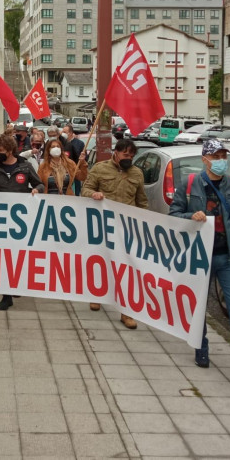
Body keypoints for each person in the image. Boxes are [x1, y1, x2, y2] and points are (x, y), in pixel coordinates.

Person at [169, 139, 230, 383]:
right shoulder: (190, 184)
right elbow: (173, 216)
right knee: (200, 306)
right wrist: (191, 215)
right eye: (216, 157)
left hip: (229, 256)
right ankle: (201, 348)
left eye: (224, 156)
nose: (221, 161)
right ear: (205, 159)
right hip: (200, 257)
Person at [81, 139, 146, 329]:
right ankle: (97, 295)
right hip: (103, 225)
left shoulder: (137, 173)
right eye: (126, 155)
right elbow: (85, 189)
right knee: (101, 262)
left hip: (126, 227)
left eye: (132, 156)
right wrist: (93, 195)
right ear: (116, 153)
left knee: (126, 268)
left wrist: (144, 224)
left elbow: (142, 201)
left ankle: (126, 311)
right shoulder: (100, 169)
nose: (129, 159)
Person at [0, 135, 44, 311]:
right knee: (3, 255)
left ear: (10, 150)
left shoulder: (25, 166)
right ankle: (6, 295)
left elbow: (39, 184)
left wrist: (35, 190)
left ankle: (17, 283)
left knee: (19, 254)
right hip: (0, 218)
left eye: (1, 151)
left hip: (22, 218)